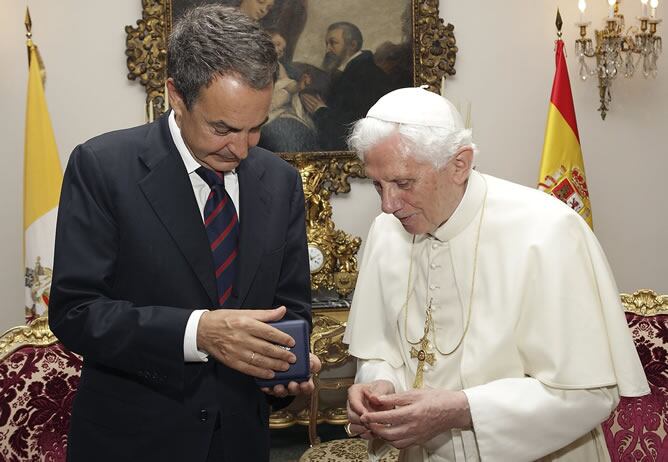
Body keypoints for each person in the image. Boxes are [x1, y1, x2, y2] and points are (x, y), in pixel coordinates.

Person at [49, 6, 320, 462]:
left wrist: (283, 369)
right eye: (223, 129)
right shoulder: (103, 167)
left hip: (241, 443)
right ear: (176, 94)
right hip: (133, 443)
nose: (241, 148)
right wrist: (199, 332)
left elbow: (291, 307)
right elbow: (76, 311)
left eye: (256, 129)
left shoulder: (280, 181)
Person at [342, 87, 649, 461]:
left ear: (460, 164)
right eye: (378, 184)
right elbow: (381, 349)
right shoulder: (386, 231)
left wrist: (462, 408)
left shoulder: (549, 231)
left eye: (404, 183)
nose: (388, 205)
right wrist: (378, 386)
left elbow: (589, 394)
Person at [302, 21, 392, 151]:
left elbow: (353, 127)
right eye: (326, 44)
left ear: (352, 45)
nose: (328, 49)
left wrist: (320, 111)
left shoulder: (364, 75)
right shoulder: (351, 72)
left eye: (333, 43)